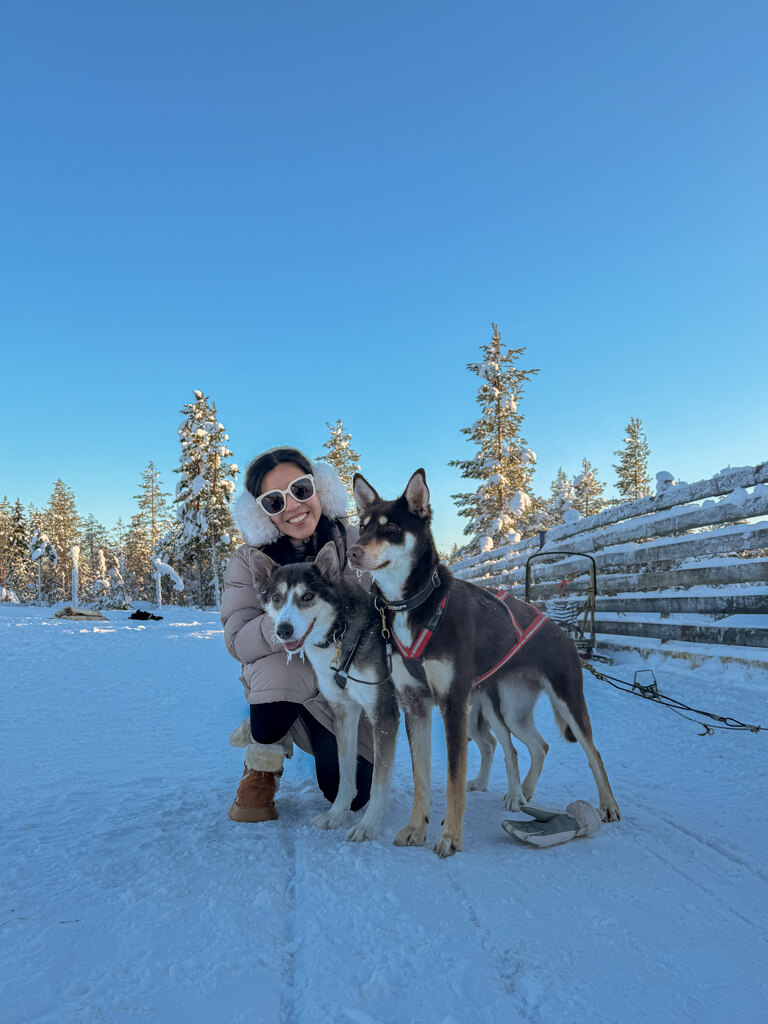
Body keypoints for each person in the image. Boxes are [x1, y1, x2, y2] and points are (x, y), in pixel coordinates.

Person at [221, 446, 374, 822]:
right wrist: (290, 619)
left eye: (301, 490)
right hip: (285, 675)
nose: (291, 506)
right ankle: (263, 758)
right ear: (262, 511)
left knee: (351, 793)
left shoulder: (361, 545)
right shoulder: (249, 562)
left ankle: (289, 725)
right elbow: (239, 640)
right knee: (280, 675)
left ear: (320, 488)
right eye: (274, 501)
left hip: (350, 682)